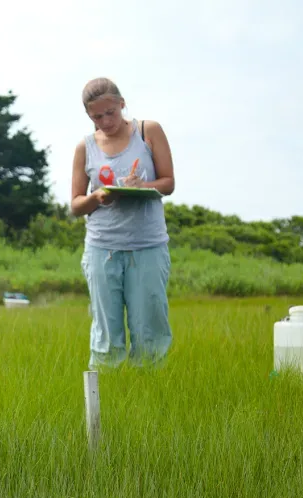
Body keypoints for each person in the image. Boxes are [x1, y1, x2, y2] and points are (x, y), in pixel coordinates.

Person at [70, 77, 175, 368]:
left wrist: (141, 186)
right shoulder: (86, 147)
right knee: (105, 335)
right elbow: (77, 204)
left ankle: (150, 393)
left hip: (148, 245)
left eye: (110, 113)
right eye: (96, 116)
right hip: (102, 247)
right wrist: (98, 197)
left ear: (122, 103)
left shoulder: (148, 131)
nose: (105, 121)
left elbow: (168, 183)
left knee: (150, 331)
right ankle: (108, 398)